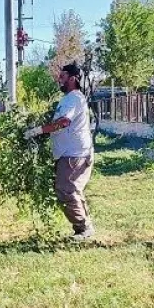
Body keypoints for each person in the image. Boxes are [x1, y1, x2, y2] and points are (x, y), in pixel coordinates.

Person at [24, 62, 95, 240]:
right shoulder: (71, 98)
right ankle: (85, 227)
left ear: (73, 79)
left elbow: (64, 122)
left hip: (74, 154)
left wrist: (38, 131)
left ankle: (83, 229)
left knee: (66, 190)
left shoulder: (73, 98)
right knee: (72, 191)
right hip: (70, 153)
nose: (59, 80)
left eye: (62, 77)